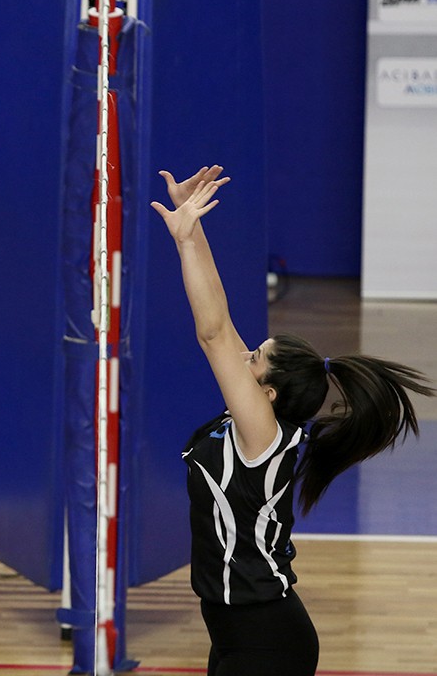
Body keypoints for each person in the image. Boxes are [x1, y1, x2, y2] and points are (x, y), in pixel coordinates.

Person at [151, 165, 435, 676]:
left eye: (255, 357)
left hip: (266, 641)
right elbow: (222, 320)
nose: (244, 355)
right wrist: (190, 231)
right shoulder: (254, 419)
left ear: (269, 393)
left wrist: (187, 240)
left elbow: (213, 334)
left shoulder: (262, 435)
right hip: (236, 635)